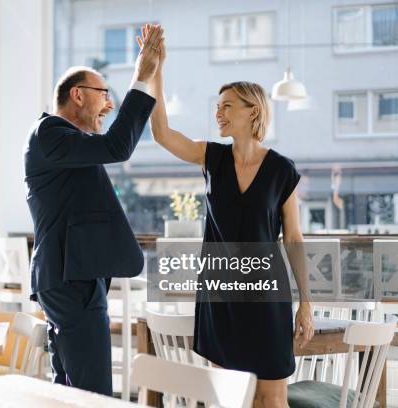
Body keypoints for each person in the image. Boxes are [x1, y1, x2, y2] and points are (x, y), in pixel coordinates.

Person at [139, 24, 314, 408]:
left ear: (254, 110)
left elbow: (294, 239)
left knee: (270, 398)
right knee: (228, 398)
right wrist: (156, 71)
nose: (218, 112)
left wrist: (305, 302)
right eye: (217, 106)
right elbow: (163, 134)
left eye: (227, 105)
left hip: (268, 298)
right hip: (220, 297)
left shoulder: (282, 170)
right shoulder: (212, 158)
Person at [23, 25, 164, 396]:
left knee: (69, 391)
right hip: (70, 280)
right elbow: (118, 147)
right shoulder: (50, 133)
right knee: (94, 395)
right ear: (78, 96)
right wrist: (141, 75)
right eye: (103, 94)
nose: (109, 104)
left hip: (70, 276)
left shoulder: (67, 146)